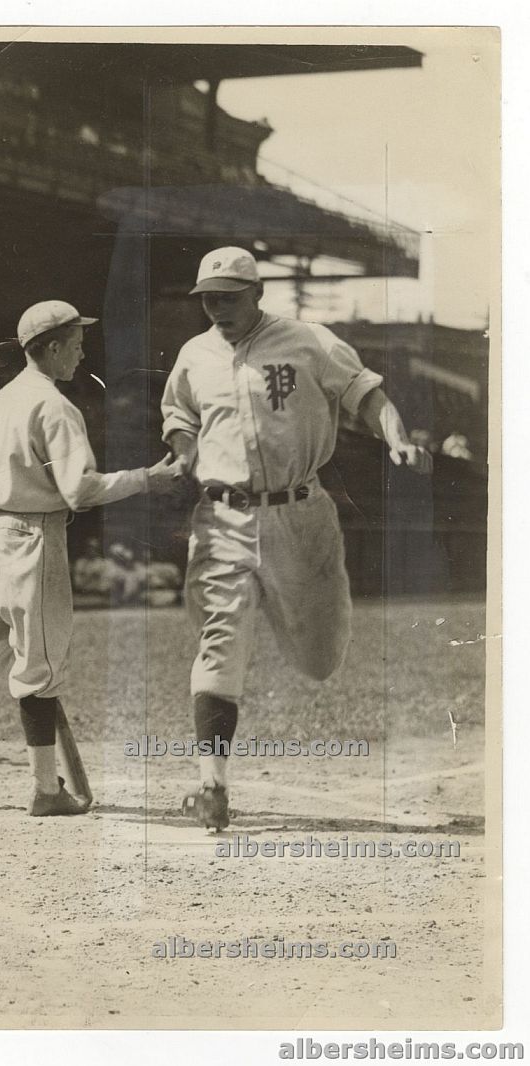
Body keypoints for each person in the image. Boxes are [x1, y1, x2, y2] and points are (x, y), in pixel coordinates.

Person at [161, 247, 433, 831]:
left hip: (300, 514)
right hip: (222, 517)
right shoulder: (195, 353)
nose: (217, 307)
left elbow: (367, 394)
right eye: (209, 297)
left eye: (229, 296)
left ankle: (307, 649)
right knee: (220, 642)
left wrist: (398, 441)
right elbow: (179, 415)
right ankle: (212, 786)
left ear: (258, 293)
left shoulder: (309, 341)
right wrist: (183, 453)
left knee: (320, 658)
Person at [0, 300, 178, 816]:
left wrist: (6, 492)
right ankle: (45, 788)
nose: (82, 354)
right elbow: (79, 491)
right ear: (53, 347)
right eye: (76, 344)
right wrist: (147, 478)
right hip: (32, 535)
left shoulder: (0, 400)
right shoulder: (56, 407)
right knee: (39, 663)